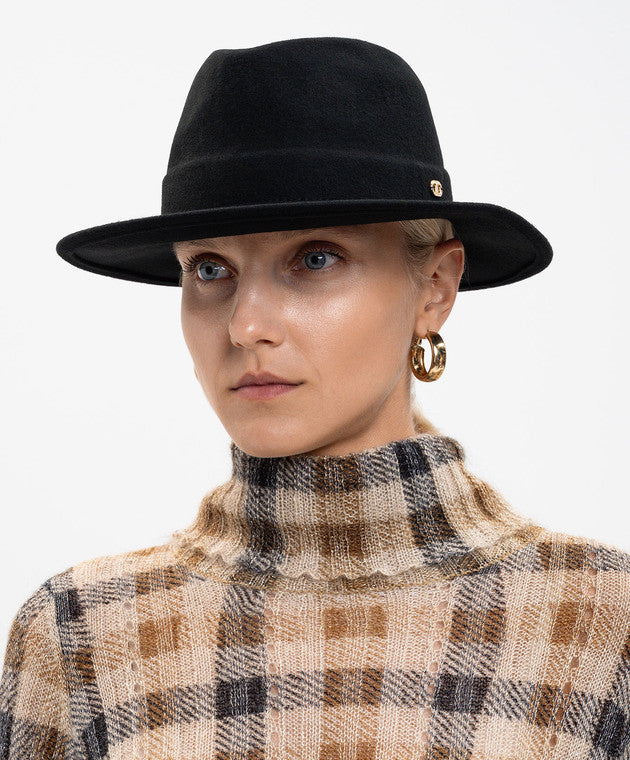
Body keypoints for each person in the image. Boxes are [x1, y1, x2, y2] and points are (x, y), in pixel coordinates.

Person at [2, 36, 629, 760]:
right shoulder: (82, 635)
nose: (246, 326)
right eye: (210, 268)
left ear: (435, 288)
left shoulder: (598, 625)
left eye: (316, 258)